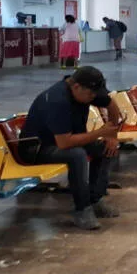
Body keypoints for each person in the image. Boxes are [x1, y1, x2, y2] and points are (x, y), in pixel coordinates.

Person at [19, 67, 122, 230]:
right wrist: (101, 132)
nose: (93, 98)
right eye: (91, 94)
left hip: (63, 140)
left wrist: (112, 137)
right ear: (76, 87)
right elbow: (64, 143)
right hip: (36, 149)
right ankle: (82, 209)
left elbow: (112, 105)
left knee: (105, 148)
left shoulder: (86, 90)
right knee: (77, 155)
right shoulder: (57, 100)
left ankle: (95, 199)